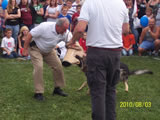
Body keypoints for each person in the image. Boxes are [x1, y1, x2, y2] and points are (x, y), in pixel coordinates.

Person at [67, 0, 129, 120]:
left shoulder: (90, 2)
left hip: (97, 52)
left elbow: (80, 29)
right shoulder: (121, 3)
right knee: (111, 90)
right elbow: (126, 30)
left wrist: (72, 41)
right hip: (115, 52)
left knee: (98, 91)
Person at [22, 18, 69, 101]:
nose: (65, 31)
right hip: (35, 48)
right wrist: (25, 49)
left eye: (66, 29)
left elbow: (69, 42)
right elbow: (30, 35)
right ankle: (38, 93)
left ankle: (57, 89)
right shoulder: (44, 26)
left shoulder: (64, 33)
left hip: (49, 50)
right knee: (39, 67)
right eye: (64, 29)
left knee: (58, 65)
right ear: (58, 26)